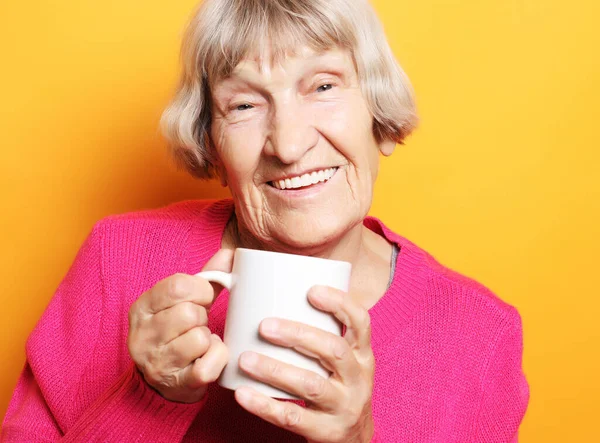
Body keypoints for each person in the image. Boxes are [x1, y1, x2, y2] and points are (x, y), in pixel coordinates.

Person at [1, 0, 529, 441]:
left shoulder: (480, 337)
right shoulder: (117, 260)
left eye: (323, 86)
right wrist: (150, 399)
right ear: (211, 143)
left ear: (381, 117)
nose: (289, 144)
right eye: (246, 105)